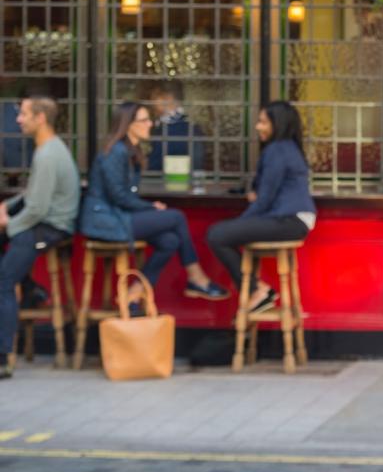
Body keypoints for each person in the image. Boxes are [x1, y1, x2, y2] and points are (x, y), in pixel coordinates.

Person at [80, 102, 228, 306]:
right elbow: (119, 196)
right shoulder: (116, 152)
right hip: (105, 220)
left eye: (149, 119)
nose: (150, 124)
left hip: (118, 216)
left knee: (169, 241)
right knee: (176, 217)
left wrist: (148, 207)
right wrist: (150, 207)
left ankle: (135, 292)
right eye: (144, 120)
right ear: (128, 124)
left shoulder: (130, 151)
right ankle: (196, 277)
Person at [207, 101, 315, 314]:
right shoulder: (288, 148)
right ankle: (258, 290)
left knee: (217, 235)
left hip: (287, 220)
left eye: (263, 122)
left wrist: (241, 223)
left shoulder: (276, 150)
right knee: (223, 233)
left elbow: (264, 199)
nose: (258, 127)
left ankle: (257, 291)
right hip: (294, 220)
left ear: (279, 124)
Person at [0, 96, 80, 380]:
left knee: (4, 281)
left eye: (23, 114)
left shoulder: (47, 154)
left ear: (40, 118)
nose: (18, 120)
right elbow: (32, 195)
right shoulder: (49, 148)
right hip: (44, 223)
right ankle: (32, 288)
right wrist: (6, 208)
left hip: (50, 227)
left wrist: (9, 223)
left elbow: (37, 209)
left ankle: (3, 358)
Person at [144, 80, 205, 175]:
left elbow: (156, 163)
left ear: (167, 98)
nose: (152, 101)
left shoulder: (176, 129)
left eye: (155, 97)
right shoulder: (191, 126)